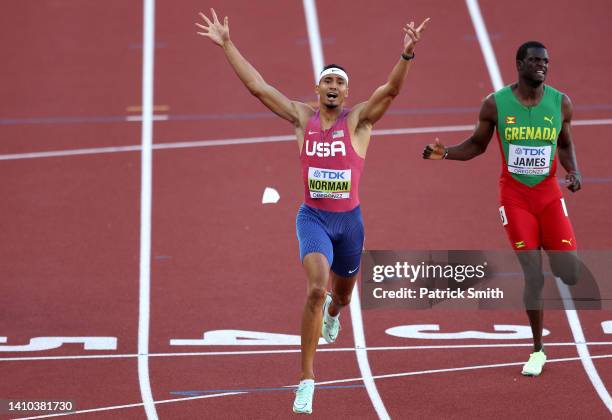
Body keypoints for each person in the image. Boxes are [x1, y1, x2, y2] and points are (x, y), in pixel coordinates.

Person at [197, 8, 429, 414]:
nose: (334, 86)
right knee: (316, 288)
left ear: (346, 91)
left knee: (340, 297)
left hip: (350, 224)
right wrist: (228, 45)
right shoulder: (301, 118)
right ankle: (306, 380)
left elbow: (390, 91)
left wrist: (406, 55)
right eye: (328, 81)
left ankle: (335, 314)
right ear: (317, 88)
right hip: (314, 218)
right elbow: (258, 87)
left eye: (340, 81)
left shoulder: (358, 121)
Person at [423, 41, 581, 377]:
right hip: (515, 197)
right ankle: (538, 349)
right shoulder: (495, 104)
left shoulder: (561, 103)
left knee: (570, 273)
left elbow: (565, 143)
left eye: (546, 62)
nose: (542, 66)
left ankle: (559, 256)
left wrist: (574, 170)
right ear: (520, 64)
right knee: (533, 274)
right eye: (535, 61)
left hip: (549, 195)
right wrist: (445, 153)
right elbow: (477, 145)